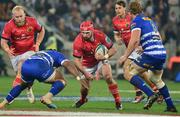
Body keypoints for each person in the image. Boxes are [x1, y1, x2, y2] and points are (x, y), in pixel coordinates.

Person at [119, 1, 177, 112]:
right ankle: (170, 106)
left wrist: (125, 55)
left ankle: (151, 94)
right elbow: (159, 37)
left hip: (151, 54)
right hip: (161, 53)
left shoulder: (136, 22)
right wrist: (145, 46)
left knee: (128, 73)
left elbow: (134, 40)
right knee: (156, 79)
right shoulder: (149, 20)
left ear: (130, 12)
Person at [112, 0, 160, 103]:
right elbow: (116, 34)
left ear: (125, 8)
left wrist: (142, 45)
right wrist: (117, 39)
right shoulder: (115, 20)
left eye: (119, 8)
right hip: (129, 48)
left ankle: (141, 93)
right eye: (116, 8)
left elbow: (142, 27)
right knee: (140, 73)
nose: (117, 10)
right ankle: (155, 90)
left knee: (127, 68)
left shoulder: (132, 17)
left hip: (138, 46)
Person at [0, 50, 81, 109]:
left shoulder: (42, 52)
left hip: (25, 66)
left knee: (22, 86)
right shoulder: (58, 54)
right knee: (61, 80)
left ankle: (2, 104)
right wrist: (78, 77)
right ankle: (47, 97)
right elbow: (68, 64)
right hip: (39, 66)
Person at [72, 20, 122, 110]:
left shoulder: (100, 35)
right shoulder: (78, 41)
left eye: (87, 33)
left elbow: (113, 49)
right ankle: (83, 99)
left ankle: (118, 101)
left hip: (101, 60)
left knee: (108, 77)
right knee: (85, 88)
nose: (84, 35)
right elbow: (76, 60)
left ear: (92, 30)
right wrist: (85, 72)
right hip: (87, 63)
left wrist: (105, 56)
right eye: (82, 33)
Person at [1, 5, 45, 103]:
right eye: (17, 17)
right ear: (13, 16)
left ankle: (9, 98)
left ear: (25, 14)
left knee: (23, 63)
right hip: (15, 54)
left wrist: (37, 44)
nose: (19, 19)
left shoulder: (32, 21)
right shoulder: (9, 25)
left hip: (30, 51)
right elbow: (3, 42)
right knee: (22, 77)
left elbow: (42, 30)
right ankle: (28, 88)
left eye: (21, 16)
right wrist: (7, 50)